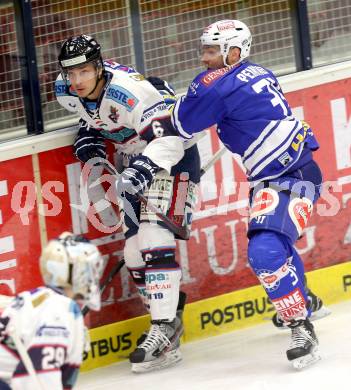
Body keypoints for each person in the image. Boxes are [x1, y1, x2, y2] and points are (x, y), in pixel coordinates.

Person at [165, 19, 327, 369]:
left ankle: (301, 327)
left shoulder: (216, 85)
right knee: (276, 244)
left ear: (233, 52)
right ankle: (305, 300)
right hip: (290, 173)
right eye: (204, 49)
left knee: (265, 250)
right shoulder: (259, 71)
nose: (204, 57)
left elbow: (177, 124)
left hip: (290, 177)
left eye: (211, 50)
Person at [55, 35, 200, 373]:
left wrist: (144, 168)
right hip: (130, 163)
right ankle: (170, 316)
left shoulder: (132, 93)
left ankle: (163, 327)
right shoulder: (66, 91)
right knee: (134, 253)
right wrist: (89, 140)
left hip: (171, 160)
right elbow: (94, 120)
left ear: (99, 67)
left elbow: (171, 140)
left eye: (84, 72)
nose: (76, 80)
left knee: (153, 238)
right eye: (70, 73)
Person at [0, 232, 104, 389]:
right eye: (85, 269)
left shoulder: (47, 302)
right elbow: (36, 381)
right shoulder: (57, 313)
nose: (91, 277)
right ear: (67, 272)